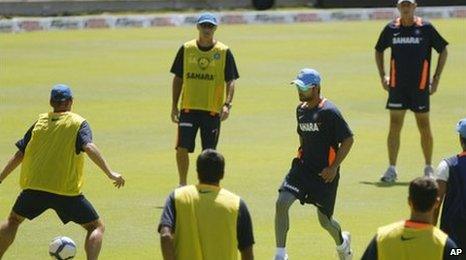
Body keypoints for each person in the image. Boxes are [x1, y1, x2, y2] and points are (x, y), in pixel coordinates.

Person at [0, 84, 125, 260]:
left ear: (51, 102)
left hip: (34, 188)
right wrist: (110, 173)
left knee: (13, 221)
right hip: (66, 192)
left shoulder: (39, 122)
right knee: (96, 227)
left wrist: (0, 178)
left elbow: (20, 154)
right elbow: (89, 147)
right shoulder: (78, 123)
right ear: (71, 102)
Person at [274, 68, 354, 260]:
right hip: (302, 169)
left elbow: (348, 139)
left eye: (304, 88)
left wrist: (333, 167)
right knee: (282, 203)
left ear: (316, 88)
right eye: (298, 87)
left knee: (325, 222)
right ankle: (280, 255)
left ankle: (343, 244)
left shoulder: (330, 112)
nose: (300, 91)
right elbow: (303, 138)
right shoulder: (300, 110)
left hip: (325, 174)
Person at [375, 0, 449, 183]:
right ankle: (391, 169)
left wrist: (436, 78)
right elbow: (378, 49)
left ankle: (428, 168)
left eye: (409, 5)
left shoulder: (426, 28)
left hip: (420, 87)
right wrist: (383, 75)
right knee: (394, 126)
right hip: (397, 87)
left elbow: (443, 50)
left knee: (424, 126)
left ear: (415, 6)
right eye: (403, 5)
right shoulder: (391, 28)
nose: (406, 8)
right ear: (398, 7)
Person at [170, 12, 239, 186]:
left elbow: (230, 80)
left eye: (210, 26)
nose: (207, 29)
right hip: (188, 108)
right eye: (204, 25)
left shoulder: (223, 51)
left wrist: (227, 105)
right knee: (181, 147)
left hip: (212, 110)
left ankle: (207, 185)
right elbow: (178, 78)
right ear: (198, 27)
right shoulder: (187, 49)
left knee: (209, 152)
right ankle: (183, 184)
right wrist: (173, 106)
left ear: (215, 28)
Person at [158, 149, 254, 260]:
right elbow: (247, 250)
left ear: (198, 172)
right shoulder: (236, 204)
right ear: (222, 174)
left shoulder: (177, 197)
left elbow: (165, 236)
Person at [362, 177, 459, 260]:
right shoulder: (446, 245)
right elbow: (457, 253)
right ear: (437, 203)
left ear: (409, 201)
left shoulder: (382, 237)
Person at [434, 118, 466, 259]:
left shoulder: (447, 165)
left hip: (454, 242)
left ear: (461, 139)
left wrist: (432, 233)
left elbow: (436, 204)